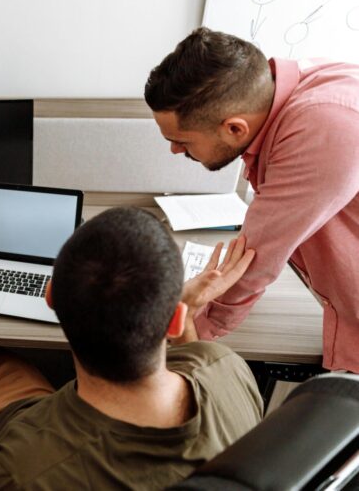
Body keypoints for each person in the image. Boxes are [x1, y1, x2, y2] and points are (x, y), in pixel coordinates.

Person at [0, 207, 263, 490]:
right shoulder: (225, 367)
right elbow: (192, 359)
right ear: (175, 322)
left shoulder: (26, 475)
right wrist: (185, 308)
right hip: (37, 410)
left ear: (50, 298)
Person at [144, 27, 359, 373]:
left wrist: (189, 338)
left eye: (182, 141)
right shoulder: (287, 90)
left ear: (234, 128)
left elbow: (254, 259)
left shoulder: (324, 126)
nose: (174, 149)